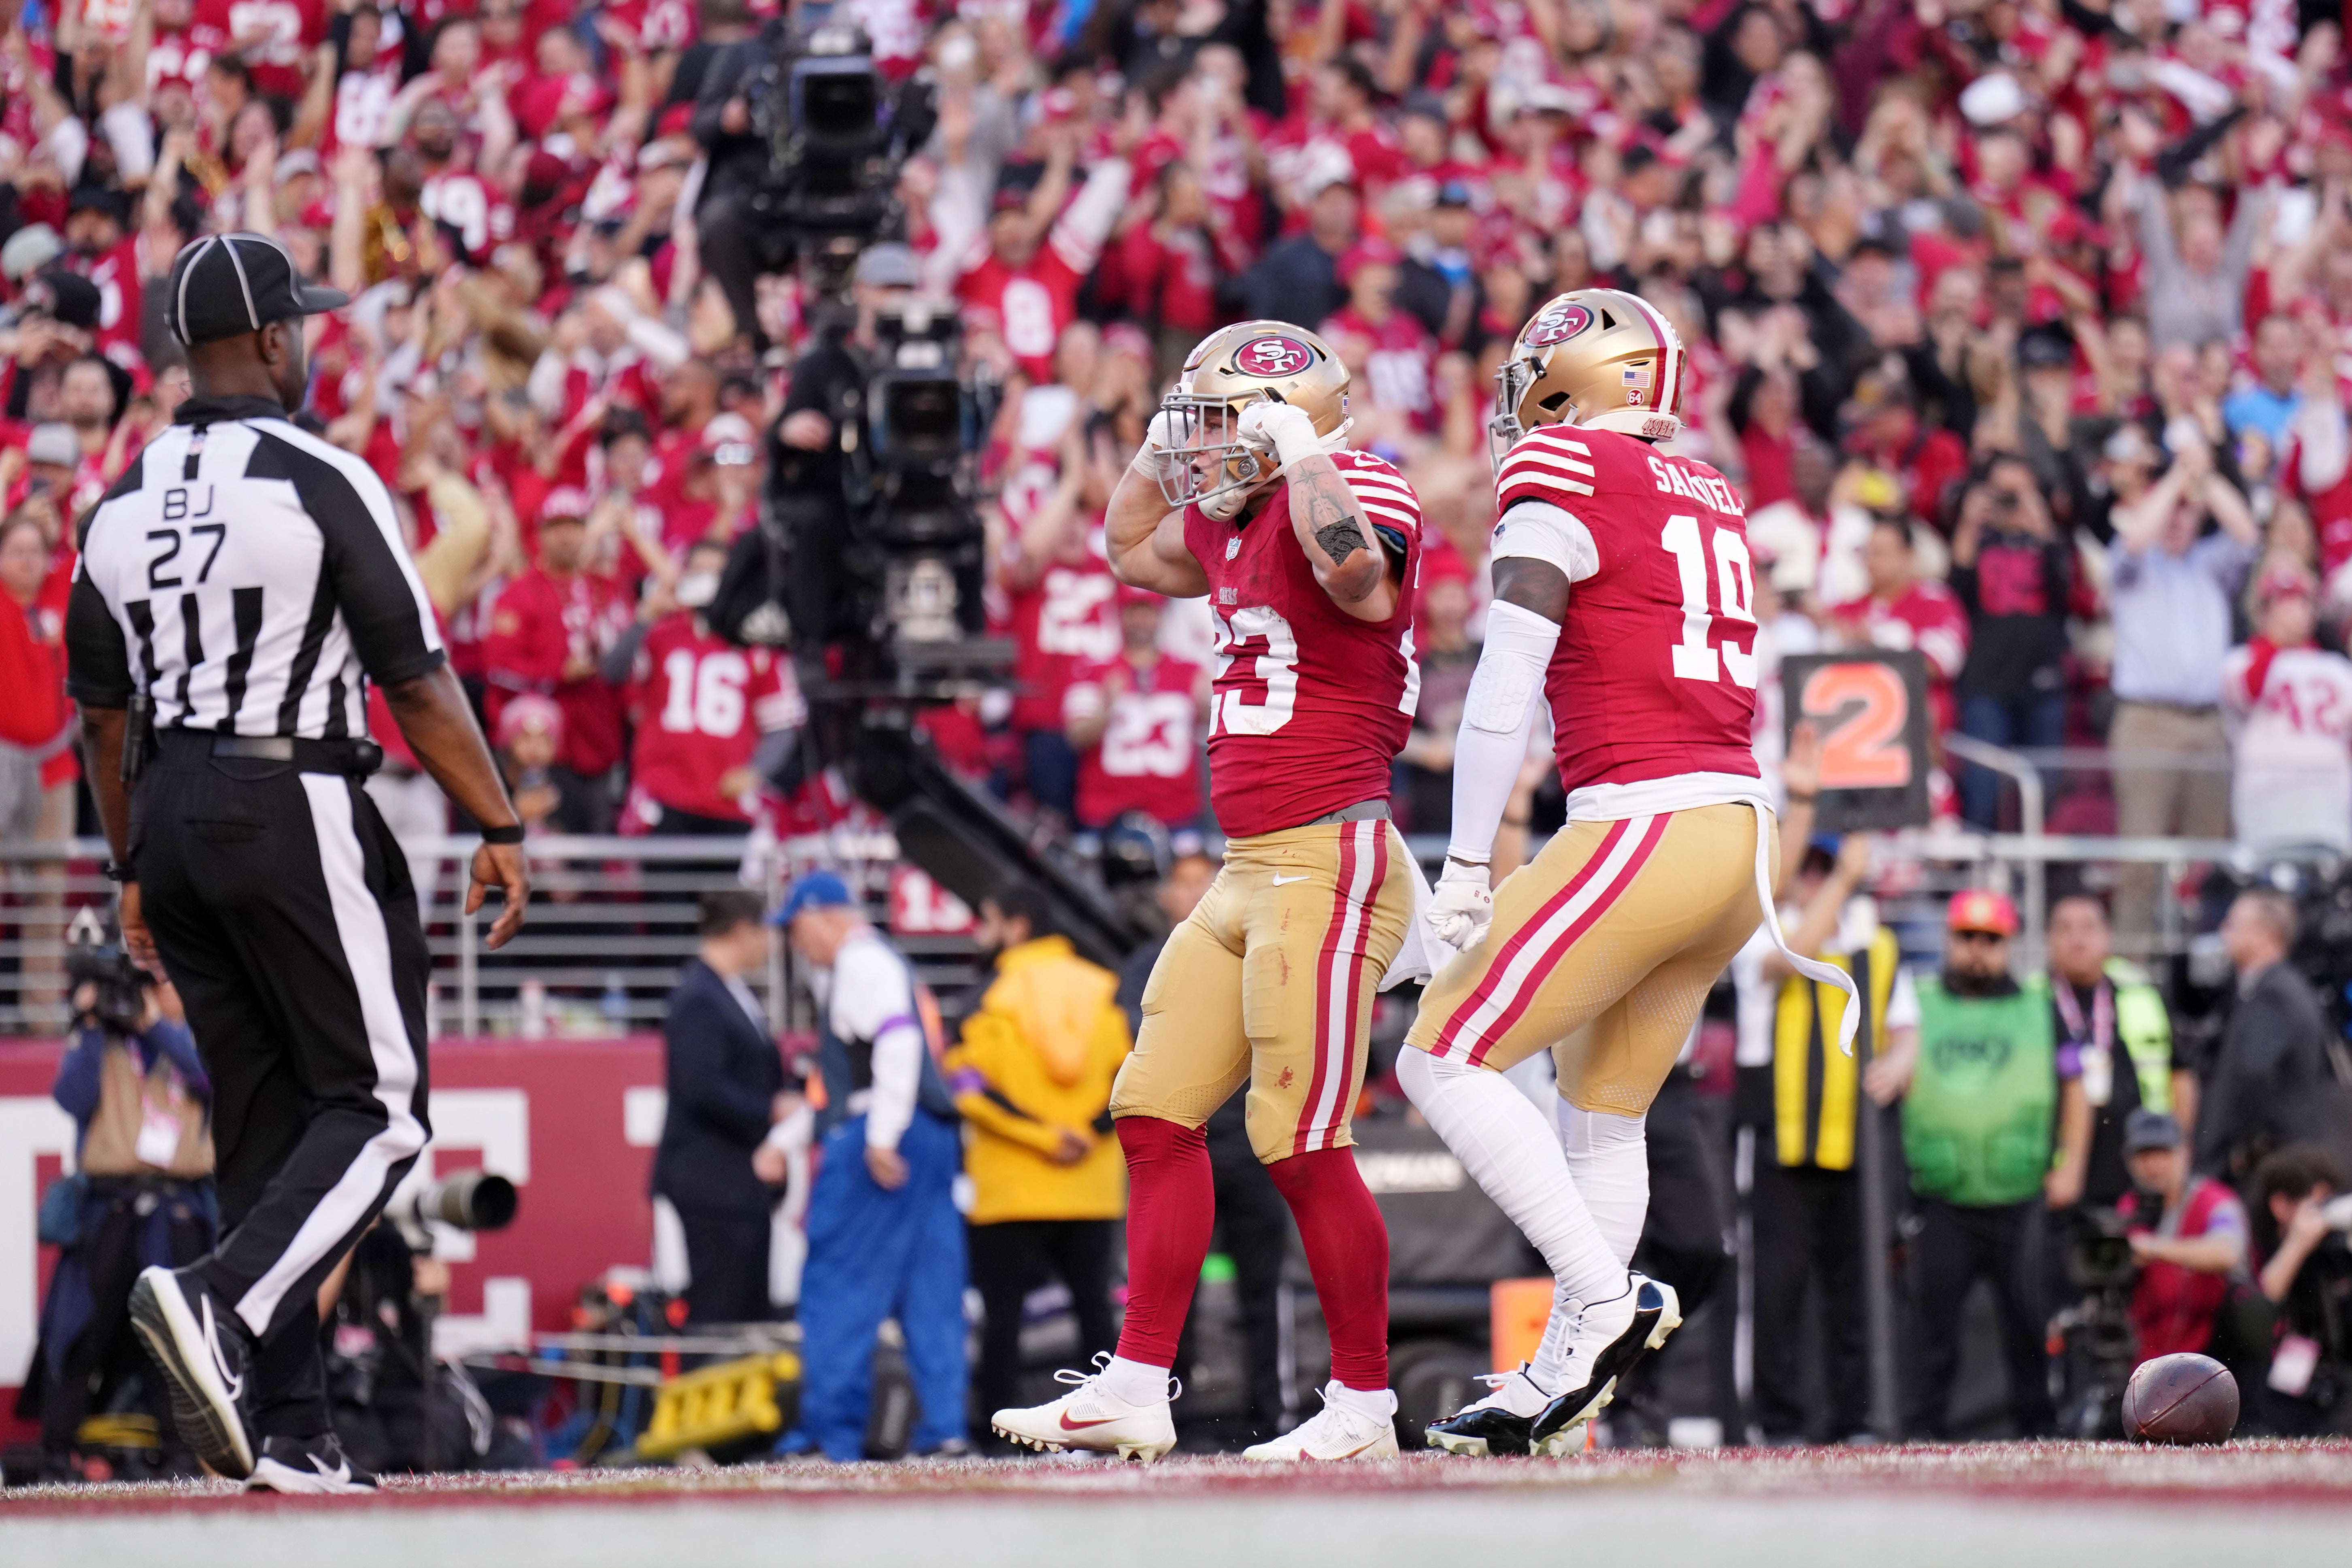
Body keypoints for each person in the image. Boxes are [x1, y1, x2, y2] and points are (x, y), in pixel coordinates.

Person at [67, 234, 530, 1495]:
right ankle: (218, 1305)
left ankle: (294, 1424)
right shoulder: (319, 475)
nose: (312, 343)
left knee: (269, 1132)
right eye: (303, 327)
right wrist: (498, 824)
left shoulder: (114, 505)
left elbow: (101, 717)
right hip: (291, 793)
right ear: (273, 342)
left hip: (166, 809)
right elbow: (415, 679)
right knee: (380, 1111)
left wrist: (130, 864)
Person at [1393, 289, 1855, 1459]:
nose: (1520, 412)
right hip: (1729, 835)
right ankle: (1562, 1373)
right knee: (1604, 1119)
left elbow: (1505, 684)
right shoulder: (1709, 487)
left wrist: (1461, 860)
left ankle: (1602, 1299)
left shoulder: (1564, 469)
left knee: (1438, 1052)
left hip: (1640, 819)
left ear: (1587, 381)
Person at [993, 320, 1426, 1463]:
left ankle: (1364, 1406)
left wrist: (1302, 453)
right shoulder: (1238, 519)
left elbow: (1359, 580)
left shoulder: (1360, 484)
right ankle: (1138, 1381)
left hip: (1329, 859)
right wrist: (1155, 445)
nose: (1205, 449)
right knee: (1152, 1108)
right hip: (1250, 870)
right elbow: (1128, 547)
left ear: (1293, 418)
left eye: (1220, 423)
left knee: (1298, 1139)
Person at [775, 872, 967, 1462]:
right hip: (930, 1130)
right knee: (929, 1287)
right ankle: (944, 1429)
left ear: (823, 916)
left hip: (883, 1135)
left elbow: (895, 1039)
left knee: (840, 1279)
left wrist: (881, 1136)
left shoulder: (860, 963)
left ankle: (828, 1435)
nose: (796, 945)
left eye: (798, 929)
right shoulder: (887, 962)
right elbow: (853, 1077)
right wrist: (785, 1137)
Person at [946, 882, 1133, 1438]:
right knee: (1096, 1314)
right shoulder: (1104, 990)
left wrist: (1042, 1137)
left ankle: (998, 1430)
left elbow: (967, 1085)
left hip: (1011, 1188)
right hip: (1092, 1182)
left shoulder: (984, 996)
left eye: (988, 920)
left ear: (1017, 926)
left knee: (1001, 1318)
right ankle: (1108, 1425)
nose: (980, 933)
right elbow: (1134, 1076)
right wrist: (1086, 1132)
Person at [1748, 836, 1917, 1445]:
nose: (1820, 879)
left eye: (1830, 869)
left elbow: (1906, 1027)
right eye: (1813, 868)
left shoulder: (1877, 944)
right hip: (1782, 1145)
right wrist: (1844, 883)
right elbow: (1785, 962)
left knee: (1857, 1292)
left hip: (1858, 1146)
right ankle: (1780, 1421)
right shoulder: (1771, 929)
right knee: (1777, 1292)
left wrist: (1900, 1062)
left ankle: (1855, 1420)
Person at [34, 975, 216, 1478]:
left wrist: (153, 1025)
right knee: (80, 1330)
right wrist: (92, 1022)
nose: (153, 991)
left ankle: (183, 1456)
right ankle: (57, 1450)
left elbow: (208, 1080)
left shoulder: (204, 1029)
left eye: (164, 980)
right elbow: (72, 1097)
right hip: (108, 1204)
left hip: (177, 1206)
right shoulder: (106, 1041)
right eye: (145, 983)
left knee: (177, 1336)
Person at [1903, 890, 2058, 1440]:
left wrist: (2068, 1166)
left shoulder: (2040, 1006)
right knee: (1931, 1334)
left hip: (2020, 1194)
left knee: (2028, 1329)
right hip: (1941, 1195)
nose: (1976, 951)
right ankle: (1921, 1437)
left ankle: (2038, 1434)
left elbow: (2075, 1085)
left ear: (2008, 945)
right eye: (1966, 937)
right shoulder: (1915, 1002)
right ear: (1948, 939)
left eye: (1989, 940)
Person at [2104, 441, 2257, 945]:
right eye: (2170, 513)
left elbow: (2246, 532)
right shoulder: (2131, 567)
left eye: (2186, 515)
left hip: (2207, 723)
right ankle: (2130, 966)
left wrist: (2204, 479)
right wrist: (2173, 483)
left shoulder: (2210, 567)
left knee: (2209, 858)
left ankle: (2206, 965)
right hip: (2146, 721)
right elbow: (2133, 539)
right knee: (2140, 855)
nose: (2176, 522)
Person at [649, 891, 789, 1326]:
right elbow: (701, 1086)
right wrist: (770, 1111)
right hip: (714, 1185)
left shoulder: (727, 992)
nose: (771, 943)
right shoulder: (699, 997)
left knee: (746, 1311)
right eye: (765, 931)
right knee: (720, 1313)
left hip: (736, 1185)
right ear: (743, 930)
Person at [2043, 894, 2195, 1213]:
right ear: (2049, 939)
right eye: (2065, 929)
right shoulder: (2032, 1001)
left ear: (2107, 936)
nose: (2078, 939)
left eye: (2088, 928)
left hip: (2137, 1166)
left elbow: (2180, 1075)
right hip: (2056, 1171)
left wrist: (2177, 1149)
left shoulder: (2140, 993)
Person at [2200, 890, 2338, 1189]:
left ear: (2267, 934)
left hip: (2275, 1167)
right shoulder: (2266, 988)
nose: (2224, 931)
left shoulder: (2274, 994)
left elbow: (2253, 1072)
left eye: (2234, 924)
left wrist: (2241, 1145)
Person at [2220, 564, 2352, 853]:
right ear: (2262, 613)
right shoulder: (2239, 661)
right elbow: (2248, 691)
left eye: (2300, 602)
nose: (2291, 611)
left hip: (2327, 815)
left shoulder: (2337, 669)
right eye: (2281, 602)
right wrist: (2274, 643)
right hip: (2266, 815)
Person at [2115, 1110, 2248, 1366]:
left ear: (2186, 1152)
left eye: (2163, 1152)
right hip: (2148, 1361)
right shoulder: (2129, 1207)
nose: (2154, 1166)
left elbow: (2227, 1253)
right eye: (2144, 1155)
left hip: (2215, 1356)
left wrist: (2153, 1249)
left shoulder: (2216, 1201)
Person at [2246, 1144, 2352, 1434]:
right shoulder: (2259, 1246)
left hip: (2336, 1383)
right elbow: (2261, 1302)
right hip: (2276, 1393)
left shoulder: (2335, 1253)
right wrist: (2298, 1244)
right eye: (2318, 1202)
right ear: (2281, 1205)